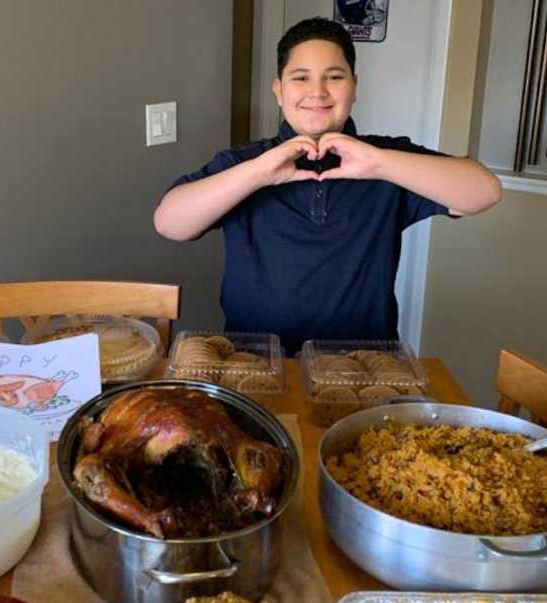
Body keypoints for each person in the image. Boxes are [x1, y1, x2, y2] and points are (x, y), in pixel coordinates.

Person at [153, 17, 502, 353]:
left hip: (366, 366)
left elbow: (484, 191)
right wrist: (257, 174)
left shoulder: (389, 159)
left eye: (334, 76)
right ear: (279, 90)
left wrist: (380, 164)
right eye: (300, 77)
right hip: (254, 360)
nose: (317, 91)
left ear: (354, 87)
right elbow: (170, 223)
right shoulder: (244, 163)